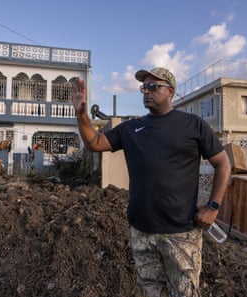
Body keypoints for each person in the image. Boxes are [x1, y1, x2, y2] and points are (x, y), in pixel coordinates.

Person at [73, 67, 231, 297]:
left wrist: (213, 207)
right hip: (142, 233)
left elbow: (223, 164)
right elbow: (95, 143)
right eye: (144, 87)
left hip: (181, 233)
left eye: (153, 87)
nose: (147, 92)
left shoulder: (193, 125)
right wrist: (81, 114)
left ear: (171, 92)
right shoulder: (131, 128)